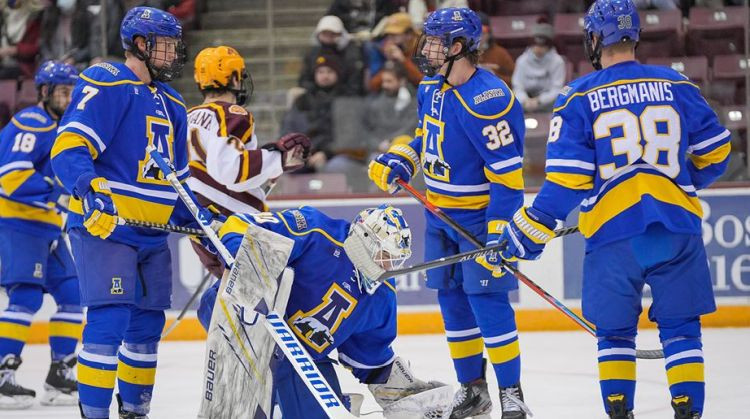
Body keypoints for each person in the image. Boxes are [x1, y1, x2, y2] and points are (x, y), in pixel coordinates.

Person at [496, 1, 731, 418]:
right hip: (678, 229)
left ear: (595, 39)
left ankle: (620, 413)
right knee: (681, 331)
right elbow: (718, 153)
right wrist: (679, 183)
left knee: (615, 334)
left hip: (613, 236)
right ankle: (688, 411)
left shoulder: (578, 96)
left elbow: (568, 181)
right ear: (633, 36)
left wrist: (533, 224)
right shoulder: (678, 84)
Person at [368, 7, 530, 419]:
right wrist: (401, 160)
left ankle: (512, 391)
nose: (426, 48)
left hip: (476, 220)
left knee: (488, 300)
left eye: (436, 42)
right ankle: (473, 389)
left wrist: (499, 230)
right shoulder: (430, 89)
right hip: (439, 217)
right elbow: (426, 138)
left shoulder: (489, 99)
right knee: (452, 301)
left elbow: (509, 180)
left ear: (458, 47)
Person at [49, 7, 201, 418]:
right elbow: (68, 148)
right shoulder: (107, 81)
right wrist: (89, 190)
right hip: (109, 227)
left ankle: (135, 411)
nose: (173, 55)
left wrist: (204, 220)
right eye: (165, 47)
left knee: (147, 327)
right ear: (140, 44)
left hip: (153, 234)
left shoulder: (172, 102)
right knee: (109, 320)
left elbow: (180, 183)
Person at [198, 205, 450, 418]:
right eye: (384, 256)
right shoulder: (316, 229)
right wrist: (238, 246)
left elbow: (371, 359)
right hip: (238, 311)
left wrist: (403, 390)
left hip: (300, 356)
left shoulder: (382, 296)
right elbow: (244, 225)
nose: (387, 267)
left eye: (394, 260)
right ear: (363, 237)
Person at [187, 45, 311, 277]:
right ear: (234, 77)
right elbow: (232, 172)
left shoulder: (186, 117)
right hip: (233, 222)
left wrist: (275, 166)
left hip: (199, 225)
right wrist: (279, 157)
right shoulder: (232, 113)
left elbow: (219, 171)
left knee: (233, 296)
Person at [0, 60, 80, 409]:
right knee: (27, 297)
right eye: (63, 92)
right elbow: (11, 176)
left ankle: (59, 374)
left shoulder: (61, 127)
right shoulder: (34, 122)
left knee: (73, 293)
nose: (69, 98)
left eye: (72, 92)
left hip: (47, 226)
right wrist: (55, 191)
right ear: (45, 93)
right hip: (19, 223)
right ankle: (3, 376)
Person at [280, 54, 344, 172]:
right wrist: (297, 151)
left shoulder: (344, 100)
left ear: (337, 74)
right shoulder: (302, 100)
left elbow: (347, 134)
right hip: (303, 154)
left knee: (336, 167)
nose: (325, 76)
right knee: (289, 168)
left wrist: (326, 153)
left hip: (333, 154)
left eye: (329, 72)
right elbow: (289, 127)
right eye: (320, 72)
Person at [299, 15, 366, 96]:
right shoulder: (312, 54)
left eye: (332, 34)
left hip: (343, 95)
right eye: (324, 33)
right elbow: (304, 79)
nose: (328, 37)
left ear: (340, 34)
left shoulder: (351, 53)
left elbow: (354, 82)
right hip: (316, 94)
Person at [511, 19, 565, 113]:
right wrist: (525, 100)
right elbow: (517, 86)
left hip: (549, 105)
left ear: (549, 46)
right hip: (525, 104)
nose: (538, 49)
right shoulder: (522, 61)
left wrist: (539, 100)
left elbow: (557, 89)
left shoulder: (557, 61)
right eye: (536, 45)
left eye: (542, 45)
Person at [476, 11, 515, 86]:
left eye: (483, 31)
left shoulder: (500, 53)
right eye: (476, 31)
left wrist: (494, 75)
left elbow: (515, 81)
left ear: (489, 33)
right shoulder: (463, 56)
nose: (480, 36)